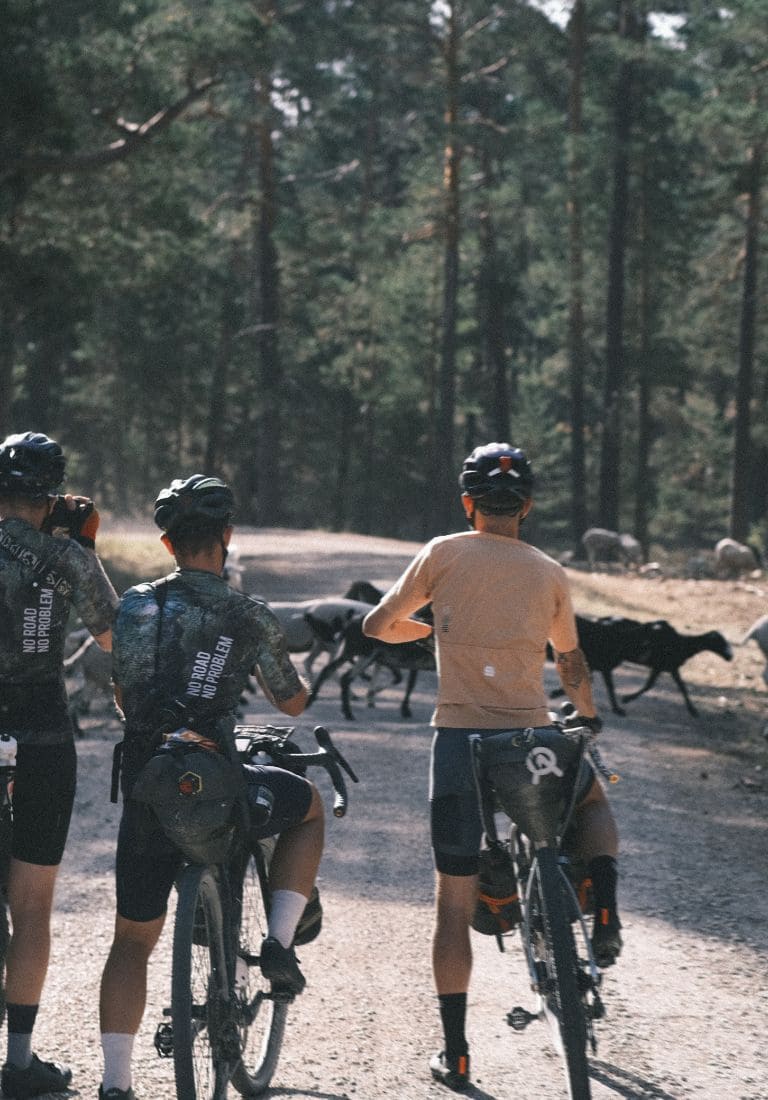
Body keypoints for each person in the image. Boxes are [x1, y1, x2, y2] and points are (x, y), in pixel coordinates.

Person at [363, 442, 621, 1093]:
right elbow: (569, 662)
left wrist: (433, 632)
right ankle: (603, 900)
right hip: (528, 735)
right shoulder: (548, 571)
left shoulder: (443, 552)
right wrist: (585, 715)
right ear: (527, 507)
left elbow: (375, 623)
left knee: (453, 906)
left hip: (457, 743)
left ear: (467, 503)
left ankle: (457, 1055)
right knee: (588, 803)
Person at [98, 475, 324, 1100]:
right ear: (226, 537)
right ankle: (278, 943)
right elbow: (289, 698)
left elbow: (124, 694)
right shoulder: (246, 614)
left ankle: (116, 1084)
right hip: (218, 783)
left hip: (148, 782)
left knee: (131, 942)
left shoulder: (136, 606)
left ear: (167, 542)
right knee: (307, 810)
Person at [0, 430, 119, 1099]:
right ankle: (19, 1063)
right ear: (52, 498)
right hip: (42, 730)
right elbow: (114, 638)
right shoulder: (69, 556)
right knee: (34, 904)